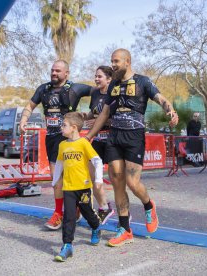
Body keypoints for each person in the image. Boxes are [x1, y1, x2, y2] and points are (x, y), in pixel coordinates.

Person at [84, 48, 179, 247]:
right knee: (117, 181)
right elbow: (104, 113)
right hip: (114, 137)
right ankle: (125, 228)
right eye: (111, 61)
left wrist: (171, 111)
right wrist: (89, 137)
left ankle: (148, 205)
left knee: (132, 183)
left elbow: (161, 99)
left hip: (134, 136)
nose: (113, 64)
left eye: (116, 61)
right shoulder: (113, 86)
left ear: (128, 61)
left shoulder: (143, 81)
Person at [19, 60, 92, 230]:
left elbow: (100, 91)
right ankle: (59, 212)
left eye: (58, 71)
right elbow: (30, 105)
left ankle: (76, 209)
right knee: (56, 177)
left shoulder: (76, 88)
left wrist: (90, 114)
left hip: (70, 139)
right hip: (52, 139)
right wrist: (24, 119)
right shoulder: (43, 89)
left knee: (75, 176)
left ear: (66, 73)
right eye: (52, 70)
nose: (54, 73)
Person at [52, 112, 103, 262]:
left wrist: (98, 180)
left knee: (87, 211)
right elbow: (59, 164)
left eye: (64, 125)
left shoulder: (83, 143)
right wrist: (55, 181)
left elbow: (97, 161)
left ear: (74, 128)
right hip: (68, 187)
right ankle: (67, 245)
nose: (61, 128)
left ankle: (96, 227)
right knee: (69, 216)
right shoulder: (62, 145)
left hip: (84, 187)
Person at [84, 65, 115, 224]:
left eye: (100, 76)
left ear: (109, 79)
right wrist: (83, 118)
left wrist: (97, 121)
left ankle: (125, 215)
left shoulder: (115, 93)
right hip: (97, 140)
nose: (96, 79)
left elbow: (115, 118)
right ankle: (104, 207)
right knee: (93, 174)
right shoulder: (95, 93)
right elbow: (93, 112)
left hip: (113, 140)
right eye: (95, 76)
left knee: (116, 178)